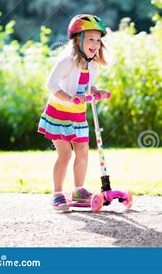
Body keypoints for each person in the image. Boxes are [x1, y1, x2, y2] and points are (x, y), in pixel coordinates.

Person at [38, 14, 110, 211]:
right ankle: (58, 194)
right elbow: (51, 84)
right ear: (78, 40)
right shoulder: (66, 61)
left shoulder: (92, 64)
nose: (95, 44)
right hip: (58, 114)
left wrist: (96, 92)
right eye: (90, 39)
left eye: (98, 40)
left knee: (83, 152)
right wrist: (69, 98)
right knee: (65, 154)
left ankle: (78, 190)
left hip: (78, 115)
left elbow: (89, 86)